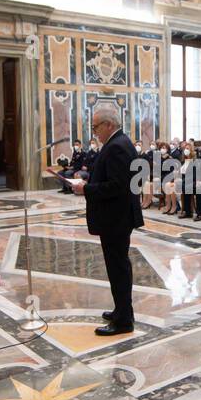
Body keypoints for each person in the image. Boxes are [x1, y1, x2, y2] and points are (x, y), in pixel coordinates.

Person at [69, 104, 143, 336]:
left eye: (96, 127)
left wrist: (86, 189)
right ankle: (122, 310)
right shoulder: (118, 143)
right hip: (118, 216)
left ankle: (123, 321)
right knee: (118, 266)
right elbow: (110, 175)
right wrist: (86, 178)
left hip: (116, 217)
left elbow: (118, 186)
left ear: (109, 124)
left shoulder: (117, 146)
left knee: (118, 267)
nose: (94, 133)